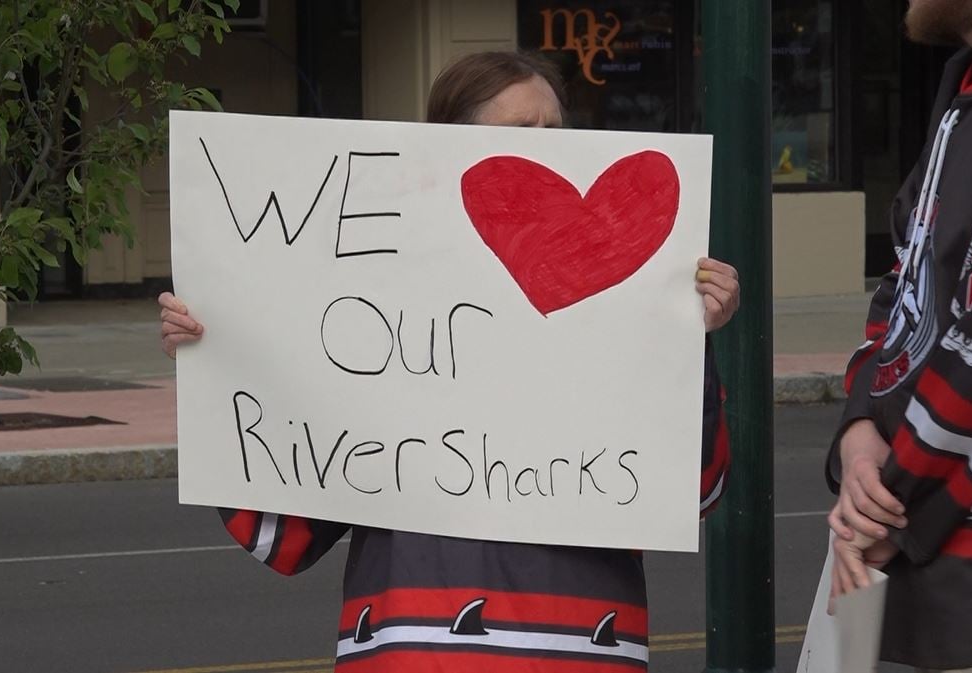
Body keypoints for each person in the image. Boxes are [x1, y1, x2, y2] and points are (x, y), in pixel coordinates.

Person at [161, 51, 740, 672]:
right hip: (414, 648)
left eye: (555, 132)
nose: (546, 149)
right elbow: (281, 533)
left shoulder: (630, 297)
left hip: (579, 648)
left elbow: (695, 491)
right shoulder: (372, 308)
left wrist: (687, 337)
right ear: (449, 147)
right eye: (522, 134)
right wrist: (214, 357)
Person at [827, 1, 972, 671]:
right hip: (929, 574)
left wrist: (884, 506)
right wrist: (859, 434)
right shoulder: (965, 83)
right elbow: (903, 285)